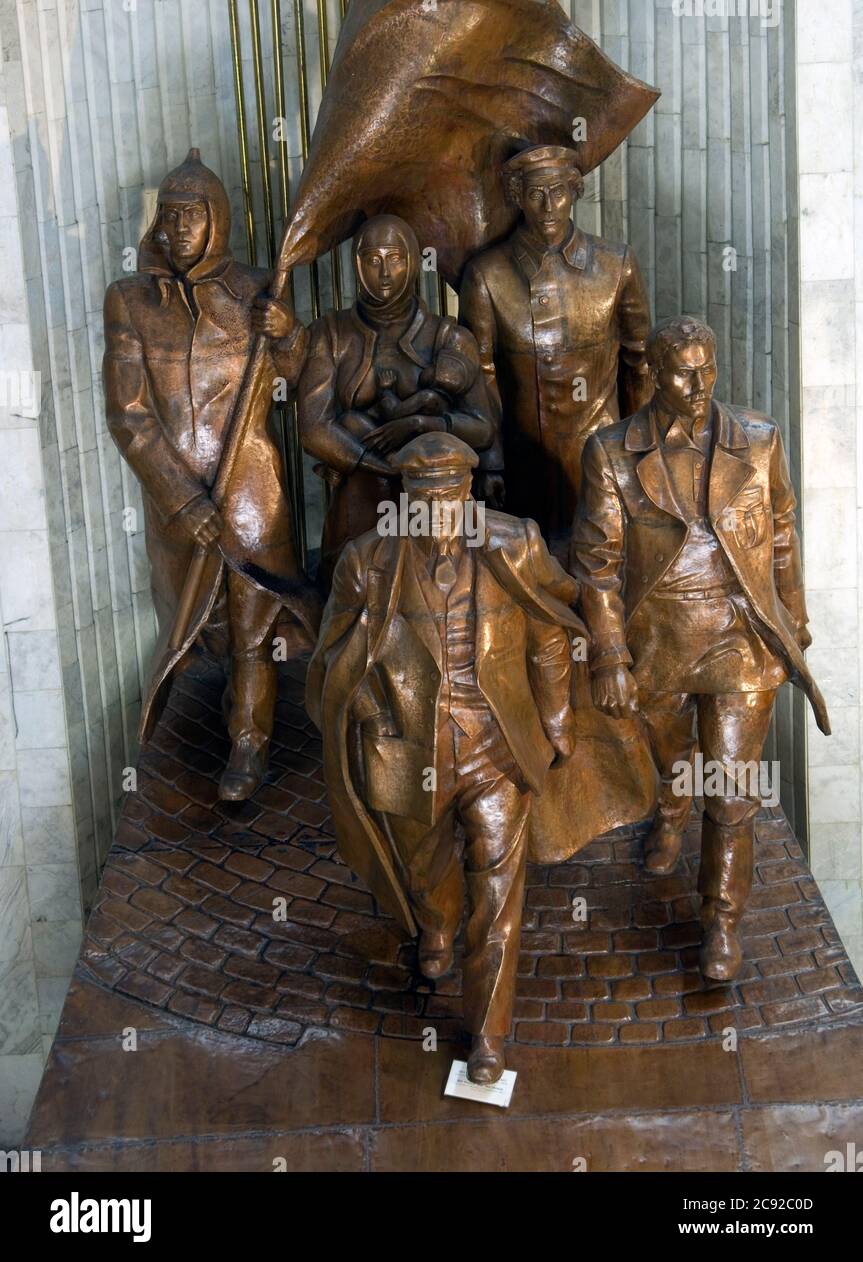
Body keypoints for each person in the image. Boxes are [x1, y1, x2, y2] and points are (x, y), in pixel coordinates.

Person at [306, 432, 583, 1083]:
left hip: (493, 746)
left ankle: (488, 1036)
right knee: (426, 876)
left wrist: (557, 717)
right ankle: (435, 925)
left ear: (467, 489)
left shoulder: (514, 544)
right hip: (407, 751)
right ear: (404, 495)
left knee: (498, 889)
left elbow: (547, 628)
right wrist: (367, 713)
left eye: (448, 493)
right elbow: (328, 659)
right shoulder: (367, 562)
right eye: (423, 496)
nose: (437, 508)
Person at [571, 316, 830, 981]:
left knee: (733, 787)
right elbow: (596, 564)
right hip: (655, 637)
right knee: (671, 753)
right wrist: (606, 654)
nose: (697, 383)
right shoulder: (608, 451)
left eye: (705, 368)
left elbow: (779, 530)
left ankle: (719, 920)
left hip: (739, 637)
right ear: (654, 373)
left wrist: (792, 613)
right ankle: (671, 800)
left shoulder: (760, 440)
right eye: (682, 371)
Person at [103, 149, 316, 803]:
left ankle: (247, 748)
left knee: (253, 625)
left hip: (253, 492)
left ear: (216, 220)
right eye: (166, 215)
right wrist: (179, 497)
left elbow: (296, 379)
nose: (174, 228)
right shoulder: (131, 301)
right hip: (181, 506)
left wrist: (287, 337)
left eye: (189, 216)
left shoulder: (255, 290)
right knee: (204, 628)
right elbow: (129, 415)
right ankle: (209, 718)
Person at [459, 143, 653, 560]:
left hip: (600, 453)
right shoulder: (487, 275)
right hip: (521, 458)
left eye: (558, 192)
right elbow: (479, 375)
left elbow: (639, 362)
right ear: (516, 196)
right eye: (535, 194)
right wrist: (490, 459)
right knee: (529, 571)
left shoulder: (616, 264)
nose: (548, 206)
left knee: (604, 565)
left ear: (575, 192)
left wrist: (644, 450)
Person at [297, 214, 495, 585]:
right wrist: (378, 464)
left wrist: (424, 426)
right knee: (357, 599)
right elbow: (312, 428)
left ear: (414, 261)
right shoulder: (330, 335)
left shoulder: (449, 338)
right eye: (373, 260)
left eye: (396, 258)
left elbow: (483, 430)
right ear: (357, 264)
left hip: (438, 508)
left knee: (433, 602)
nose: (385, 271)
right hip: (360, 500)